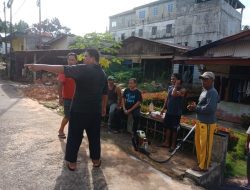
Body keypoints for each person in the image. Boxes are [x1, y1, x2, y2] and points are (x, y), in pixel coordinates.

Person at [25, 48, 108, 170]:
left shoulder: (83, 69)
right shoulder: (102, 73)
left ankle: (72, 163)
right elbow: (104, 93)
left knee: (74, 136)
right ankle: (96, 160)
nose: (83, 59)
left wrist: (39, 66)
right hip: (95, 112)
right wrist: (103, 108)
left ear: (92, 58)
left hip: (79, 110)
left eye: (85, 56)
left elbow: (61, 68)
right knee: (94, 137)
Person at [187, 71, 219, 172]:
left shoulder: (212, 92)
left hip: (207, 124)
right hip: (200, 122)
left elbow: (210, 109)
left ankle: (203, 167)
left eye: (206, 79)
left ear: (212, 81)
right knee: (199, 145)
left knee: (205, 146)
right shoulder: (204, 91)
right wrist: (193, 107)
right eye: (202, 79)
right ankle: (201, 162)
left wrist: (196, 108)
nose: (203, 82)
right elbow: (202, 105)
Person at [160, 73, 186, 152]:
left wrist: (176, 85)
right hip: (169, 111)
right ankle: (166, 142)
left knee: (174, 129)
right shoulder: (170, 87)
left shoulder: (182, 89)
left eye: (174, 79)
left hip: (176, 113)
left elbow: (174, 94)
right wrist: (163, 108)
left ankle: (173, 145)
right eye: (171, 79)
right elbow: (167, 98)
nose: (172, 80)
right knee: (168, 127)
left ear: (179, 80)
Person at [57, 53, 77, 139]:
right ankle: (61, 130)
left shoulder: (79, 70)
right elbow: (60, 85)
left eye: (72, 60)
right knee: (67, 116)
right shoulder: (64, 71)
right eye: (69, 60)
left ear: (76, 61)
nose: (71, 61)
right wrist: (60, 98)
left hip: (78, 98)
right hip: (67, 98)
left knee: (77, 116)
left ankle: (76, 132)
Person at [122, 78, 142, 150]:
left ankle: (134, 132)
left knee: (137, 116)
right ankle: (119, 128)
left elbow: (138, 103)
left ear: (135, 84)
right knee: (117, 112)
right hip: (126, 107)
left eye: (131, 83)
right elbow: (123, 99)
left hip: (134, 108)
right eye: (129, 83)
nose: (130, 84)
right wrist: (124, 108)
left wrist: (130, 110)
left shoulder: (138, 92)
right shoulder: (126, 90)